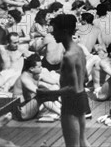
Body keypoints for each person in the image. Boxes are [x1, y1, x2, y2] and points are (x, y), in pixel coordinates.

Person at [37, 14, 90, 147]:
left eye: (55, 29)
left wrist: (48, 94)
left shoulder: (68, 56)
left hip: (71, 102)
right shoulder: (79, 50)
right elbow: (85, 77)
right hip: (82, 98)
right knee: (83, 142)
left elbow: (72, 88)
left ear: (64, 31)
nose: (52, 33)